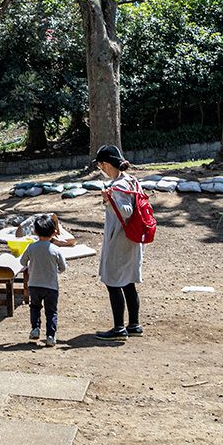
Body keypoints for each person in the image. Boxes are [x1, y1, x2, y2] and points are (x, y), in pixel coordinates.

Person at [94, 144, 144, 340]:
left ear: (106, 164)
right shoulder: (132, 181)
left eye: (100, 165)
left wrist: (109, 199)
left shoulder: (119, 186)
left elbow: (126, 211)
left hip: (120, 238)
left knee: (113, 282)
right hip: (133, 237)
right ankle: (134, 325)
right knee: (128, 282)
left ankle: (119, 328)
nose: (100, 169)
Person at [19, 214, 67, 347]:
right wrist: (56, 270)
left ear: (35, 231)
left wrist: (30, 264)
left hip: (34, 285)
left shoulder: (31, 247)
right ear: (54, 232)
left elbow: (22, 262)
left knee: (35, 307)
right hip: (51, 286)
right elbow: (63, 267)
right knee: (51, 311)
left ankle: (35, 329)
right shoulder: (55, 249)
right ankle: (50, 336)